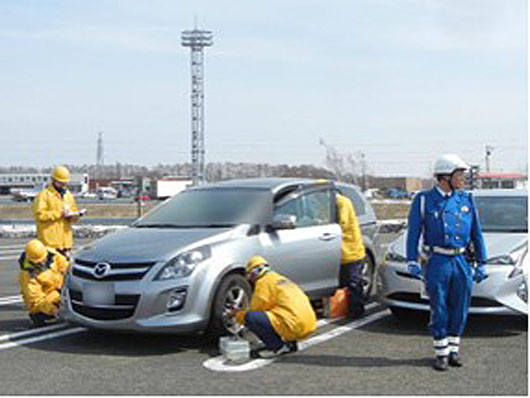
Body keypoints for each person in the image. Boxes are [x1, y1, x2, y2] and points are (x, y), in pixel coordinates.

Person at [406, 153, 488, 371]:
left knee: (460, 307)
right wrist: (412, 260)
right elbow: (413, 233)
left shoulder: (466, 199)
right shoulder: (424, 200)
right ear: (445, 177)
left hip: (461, 260)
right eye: (459, 174)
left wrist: (482, 261)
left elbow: (476, 233)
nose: (463, 178)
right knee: (439, 306)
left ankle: (454, 349)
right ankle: (441, 352)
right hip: (438, 261)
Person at [233, 256, 317, 358]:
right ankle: (290, 344)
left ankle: (278, 348)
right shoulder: (280, 278)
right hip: (309, 324)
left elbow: (256, 309)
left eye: (249, 275)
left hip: (293, 326)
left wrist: (237, 314)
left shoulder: (263, 282)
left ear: (254, 272)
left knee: (251, 317)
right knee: (282, 312)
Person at [33, 165, 84, 260]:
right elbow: (40, 215)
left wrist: (75, 216)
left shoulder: (68, 195)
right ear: (53, 180)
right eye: (60, 183)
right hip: (50, 243)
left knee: (65, 272)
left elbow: (73, 211)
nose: (63, 185)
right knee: (51, 273)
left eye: (65, 183)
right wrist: (59, 214)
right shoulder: (43, 195)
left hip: (66, 243)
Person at [18, 239, 70, 326]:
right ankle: (41, 316)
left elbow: (67, 267)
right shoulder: (28, 275)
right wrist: (53, 310)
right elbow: (36, 300)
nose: (42, 262)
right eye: (38, 262)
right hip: (44, 301)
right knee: (40, 311)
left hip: (59, 290)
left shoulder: (52, 254)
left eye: (43, 259)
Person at [336, 191, 367, 319]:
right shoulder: (332, 203)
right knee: (343, 281)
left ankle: (357, 310)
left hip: (351, 250)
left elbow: (342, 223)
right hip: (339, 250)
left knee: (353, 282)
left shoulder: (342, 202)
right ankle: (345, 308)